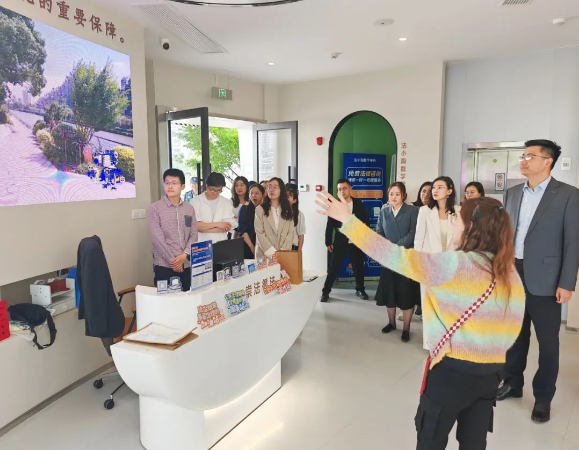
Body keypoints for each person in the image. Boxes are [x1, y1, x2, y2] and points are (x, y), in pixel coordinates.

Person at [316, 192, 525, 450]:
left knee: (430, 438)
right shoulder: (509, 272)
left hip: (451, 373)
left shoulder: (452, 265)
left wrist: (348, 221)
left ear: (470, 227)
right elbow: (515, 325)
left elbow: (393, 255)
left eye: (457, 218)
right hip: (491, 373)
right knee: (474, 441)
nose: (453, 222)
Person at [497, 139, 579, 423]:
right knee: (514, 336)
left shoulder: (568, 195)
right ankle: (512, 383)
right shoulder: (512, 193)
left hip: (547, 279)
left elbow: (573, 242)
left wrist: (567, 283)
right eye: (523, 155)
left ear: (547, 161)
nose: (523, 160)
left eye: (530, 156)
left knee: (548, 344)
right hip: (513, 274)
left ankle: (543, 398)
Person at [375, 183, 420, 342]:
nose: (394, 197)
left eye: (397, 194)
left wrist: (395, 247)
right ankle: (391, 323)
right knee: (390, 292)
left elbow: (413, 233)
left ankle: (406, 328)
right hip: (389, 258)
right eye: (391, 194)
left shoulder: (412, 211)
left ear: (404, 196)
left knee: (407, 294)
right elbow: (379, 232)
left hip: (405, 257)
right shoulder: (384, 211)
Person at [414, 176, 460, 328]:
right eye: (434, 187)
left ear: (449, 191)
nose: (435, 190)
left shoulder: (458, 211)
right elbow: (419, 239)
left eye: (440, 187)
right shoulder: (425, 211)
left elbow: (461, 239)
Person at [320, 179, 370, 303]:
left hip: (356, 241)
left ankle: (360, 289)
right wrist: (328, 242)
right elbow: (330, 225)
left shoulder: (358, 204)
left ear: (350, 189)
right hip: (340, 241)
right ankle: (325, 292)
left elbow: (365, 222)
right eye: (339, 189)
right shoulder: (335, 205)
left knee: (359, 268)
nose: (342, 191)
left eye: (344, 188)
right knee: (333, 268)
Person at [148, 169, 198, 291]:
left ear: (182, 186)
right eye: (167, 183)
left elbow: (193, 234)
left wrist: (184, 255)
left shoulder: (189, 208)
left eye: (174, 183)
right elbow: (157, 238)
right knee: (166, 300)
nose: (170, 186)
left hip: (186, 264)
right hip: (164, 265)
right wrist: (173, 262)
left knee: (187, 297)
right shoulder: (155, 208)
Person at [190, 172, 237, 243]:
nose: (215, 192)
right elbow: (196, 226)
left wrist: (204, 229)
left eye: (219, 190)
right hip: (201, 243)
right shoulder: (195, 201)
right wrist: (219, 225)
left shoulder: (226, 202)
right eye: (212, 189)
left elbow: (228, 226)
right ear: (206, 186)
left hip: (220, 242)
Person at [254, 177, 295, 258]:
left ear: (281, 190)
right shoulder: (260, 209)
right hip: (264, 255)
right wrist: (272, 253)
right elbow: (259, 233)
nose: (271, 190)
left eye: (275, 187)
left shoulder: (288, 210)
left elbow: (290, 233)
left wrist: (282, 252)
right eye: (269, 186)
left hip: (283, 255)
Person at [237, 183, 265, 258]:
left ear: (262, 195)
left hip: (264, 247)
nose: (253, 195)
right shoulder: (244, 209)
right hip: (247, 247)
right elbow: (242, 230)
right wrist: (252, 247)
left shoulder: (266, 210)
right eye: (251, 193)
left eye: (257, 193)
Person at [286, 183, 306, 251]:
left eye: (288, 197)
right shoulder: (277, 212)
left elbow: (301, 235)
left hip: (293, 247)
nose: (285, 199)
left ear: (294, 200)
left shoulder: (299, 214)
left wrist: (299, 251)